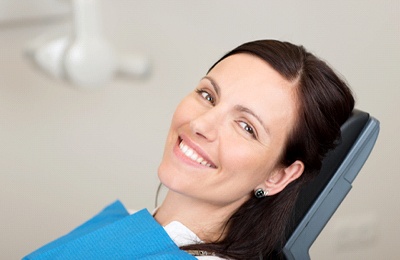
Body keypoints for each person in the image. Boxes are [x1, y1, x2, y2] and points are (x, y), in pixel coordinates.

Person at [24, 40, 354, 260]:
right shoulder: (131, 225)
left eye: (245, 126)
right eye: (208, 96)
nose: (202, 125)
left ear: (279, 175)